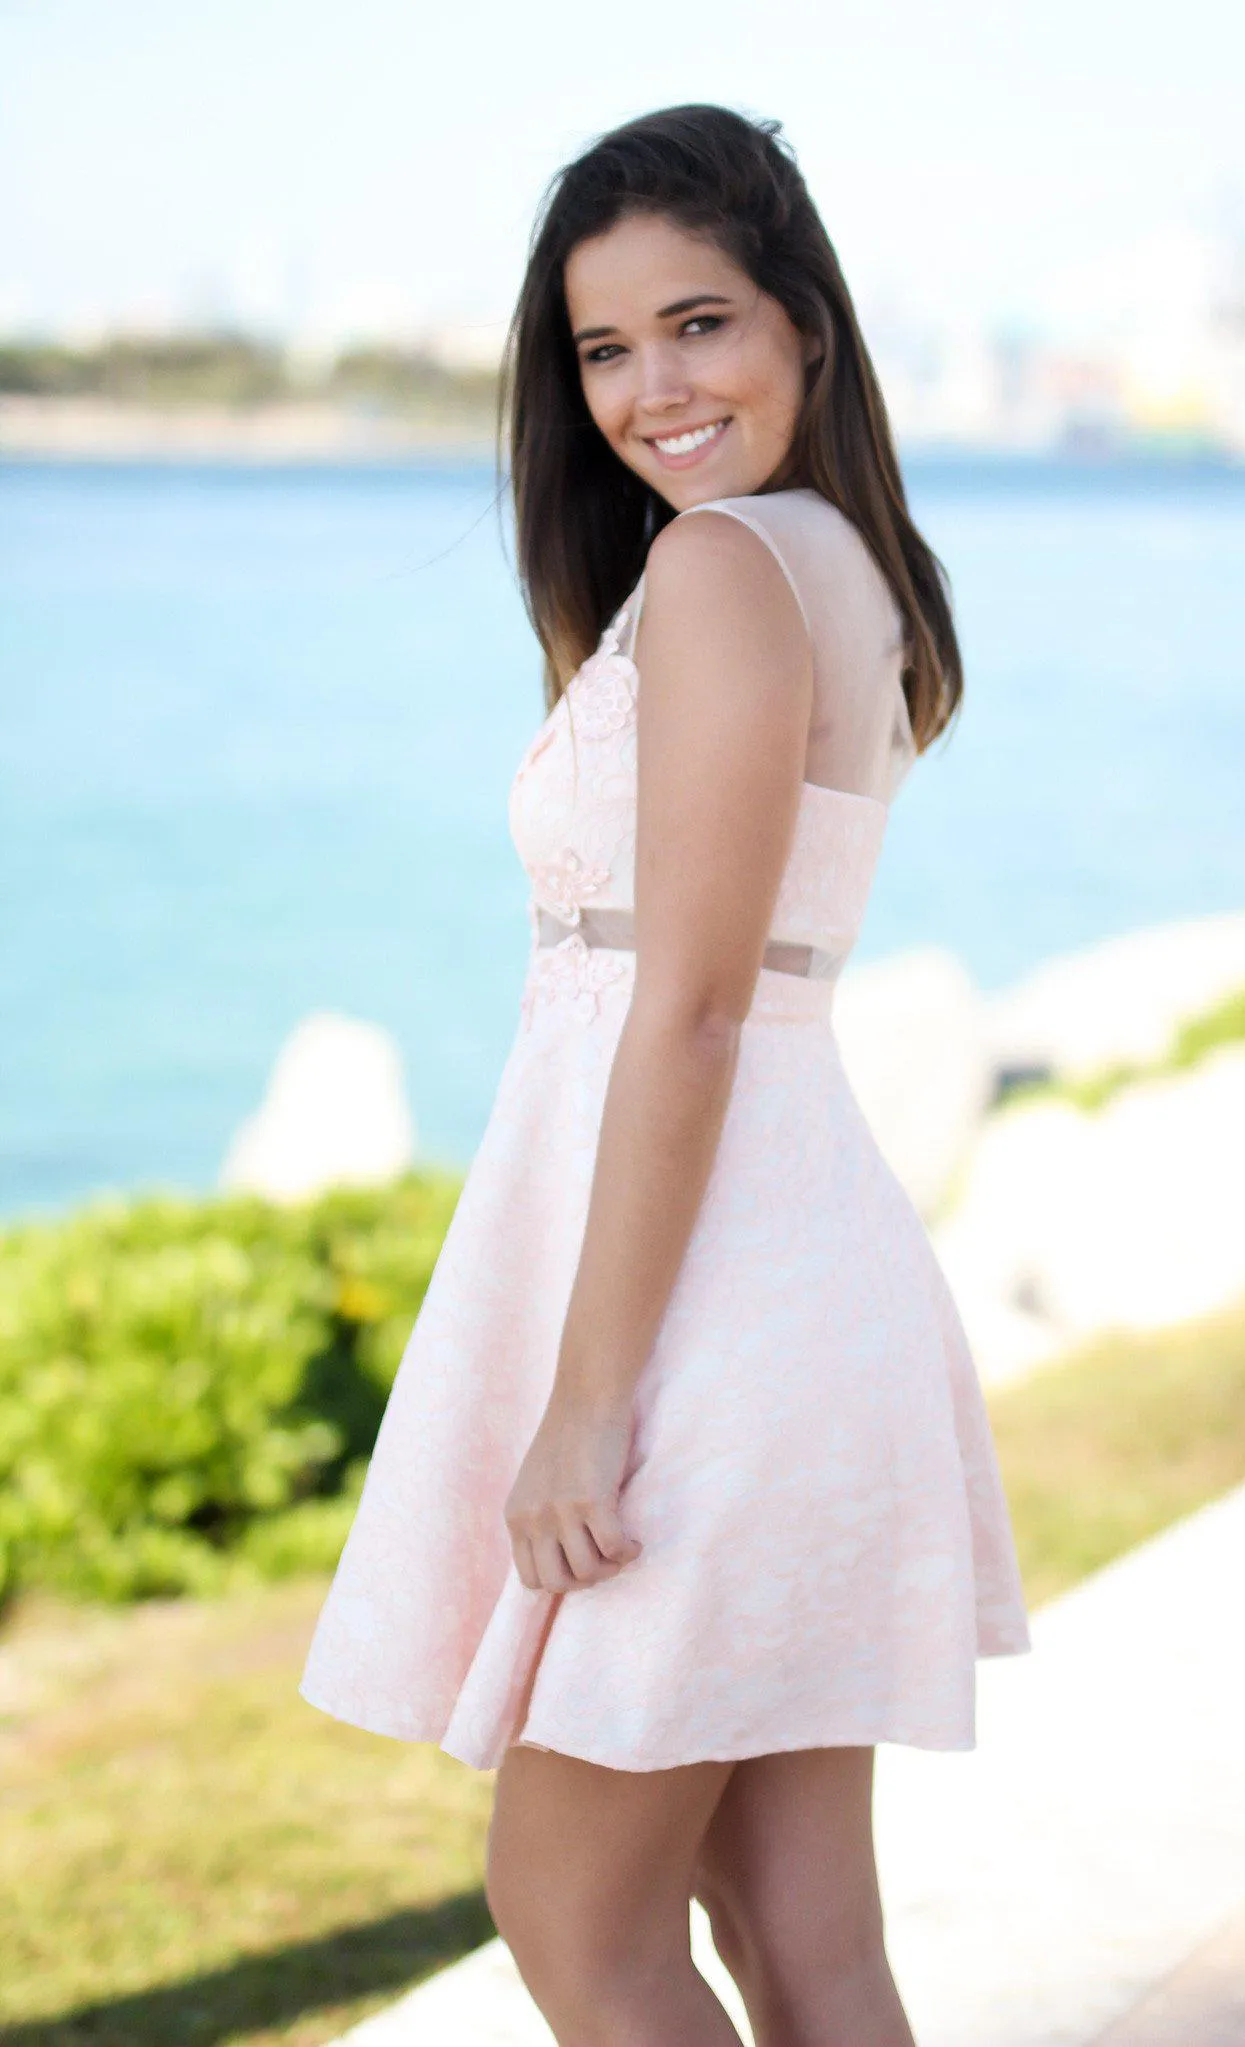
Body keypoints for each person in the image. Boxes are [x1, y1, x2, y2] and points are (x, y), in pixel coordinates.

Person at [301, 102, 1031, 2047]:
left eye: (696, 325)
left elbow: (690, 1011)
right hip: (793, 1287)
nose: (650, 388)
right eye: (604, 349)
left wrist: (584, 1402)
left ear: (802, 322)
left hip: (717, 1329)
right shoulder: (835, 562)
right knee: (810, 1944)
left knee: (573, 1919)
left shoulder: (725, 569)